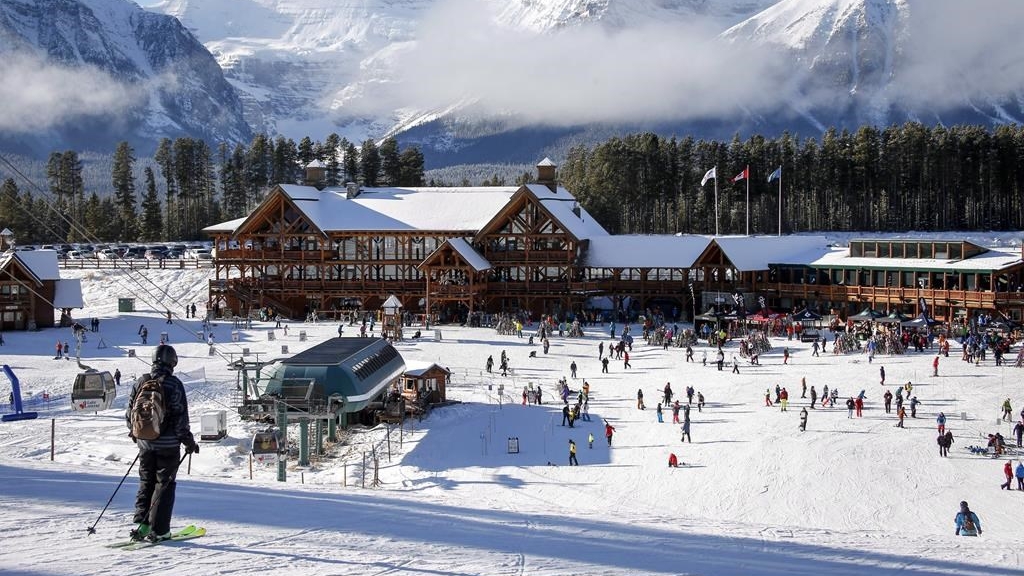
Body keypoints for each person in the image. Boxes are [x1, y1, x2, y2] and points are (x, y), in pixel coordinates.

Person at [126, 345, 198, 542]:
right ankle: (160, 530)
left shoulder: (141, 382)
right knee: (163, 485)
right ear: (172, 362)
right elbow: (180, 417)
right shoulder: (174, 384)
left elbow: (130, 411)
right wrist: (188, 441)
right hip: (168, 445)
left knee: (146, 481)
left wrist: (136, 435)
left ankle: (142, 526)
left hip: (145, 443)